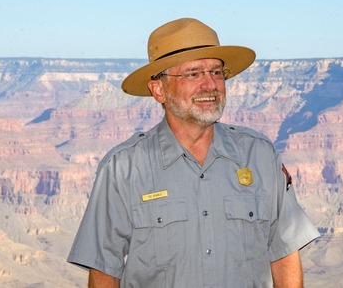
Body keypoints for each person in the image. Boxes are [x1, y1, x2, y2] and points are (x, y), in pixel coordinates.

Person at [67, 18, 319, 287]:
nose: (210, 85)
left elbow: (284, 256)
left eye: (216, 72)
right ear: (159, 90)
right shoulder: (123, 168)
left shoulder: (259, 156)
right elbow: (105, 271)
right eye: (193, 74)